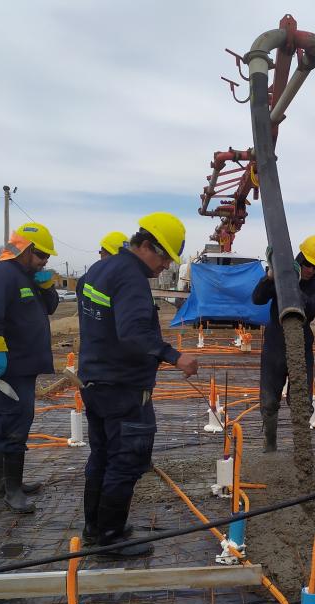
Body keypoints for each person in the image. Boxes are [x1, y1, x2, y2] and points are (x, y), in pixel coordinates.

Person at [77, 213, 199, 557]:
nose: (164, 267)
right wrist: (174, 356)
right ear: (145, 245)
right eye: (163, 258)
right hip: (122, 386)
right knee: (126, 459)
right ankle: (111, 537)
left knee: (102, 454)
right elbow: (132, 333)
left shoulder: (101, 269)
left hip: (95, 380)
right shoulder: (131, 277)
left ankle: (95, 527)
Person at [0, 223, 60, 513]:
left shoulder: (25, 275)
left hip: (22, 365)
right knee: (12, 425)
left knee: (12, 423)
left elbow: (49, 308)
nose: (45, 261)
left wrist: (47, 287)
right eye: (42, 255)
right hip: (5, 367)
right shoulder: (0, 273)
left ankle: (5, 484)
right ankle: (11, 491)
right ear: (27, 249)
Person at [252, 235, 315, 453]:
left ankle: (301, 452)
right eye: (307, 264)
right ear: (299, 257)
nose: (310, 270)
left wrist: (291, 283)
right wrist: (271, 277)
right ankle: (270, 446)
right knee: (268, 401)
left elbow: (309, 310)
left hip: (300, 348)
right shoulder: (279, 278)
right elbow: (256, 298)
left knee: (301, 403)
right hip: (275, 346)